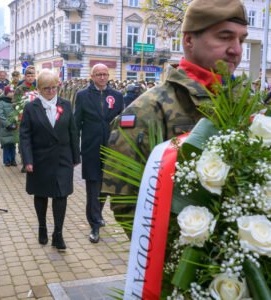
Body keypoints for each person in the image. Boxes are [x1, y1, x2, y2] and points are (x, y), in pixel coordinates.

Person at [101, 0, 248, 236]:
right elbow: (129, 206)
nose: (236, 49)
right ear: (189, 40)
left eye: (241, 39)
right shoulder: (147, 110)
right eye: (224, 37)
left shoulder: (247, 105)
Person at [19, 69, 80, 250]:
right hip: (40, 159)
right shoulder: (31, 107)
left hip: (62, 159)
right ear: (39, 89)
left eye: (54, 87)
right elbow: (25, 136)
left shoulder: (66, 104)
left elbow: (73, 132)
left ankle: (58, 234)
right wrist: (27, 160)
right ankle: (42, 227)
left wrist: (76, 156)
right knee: (41, 194)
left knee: (61, 195)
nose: (51, 91)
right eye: (47, 88)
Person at [74, 63, 124, 243]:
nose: (102, 77)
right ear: (92, 76)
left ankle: (98, 215)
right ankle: (94, 223)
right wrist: (75, 151)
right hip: (91, 149)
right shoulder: (82, 96)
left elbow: (122, 122)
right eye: (98, 74)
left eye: (105, 74)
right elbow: (76, 124)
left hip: (111, 149)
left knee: (105, 187)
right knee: (93, 187)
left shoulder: (117, 96)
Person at [14, 66, 37, 172]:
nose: (30, 78)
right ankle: (25, 162)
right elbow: (15, 103)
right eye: (28, 76)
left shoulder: (37, 87)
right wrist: (19, 113)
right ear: (25, 77)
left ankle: (34, 161)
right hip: (23, 117)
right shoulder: (20, 88)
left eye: (32, 76)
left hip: (36, 117)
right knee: (24, 141)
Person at [0, 86, 18, 167]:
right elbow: (0, 115)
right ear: (6, 93)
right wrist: (8, 124)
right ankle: (7, 160)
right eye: (11, 92)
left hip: (14, 127)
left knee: (13, 144)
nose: (12, 93)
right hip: (5, 128)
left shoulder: (13, 102)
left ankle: (13, 159)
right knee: (6, 144)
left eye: (13, 92)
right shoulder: (1, 102)